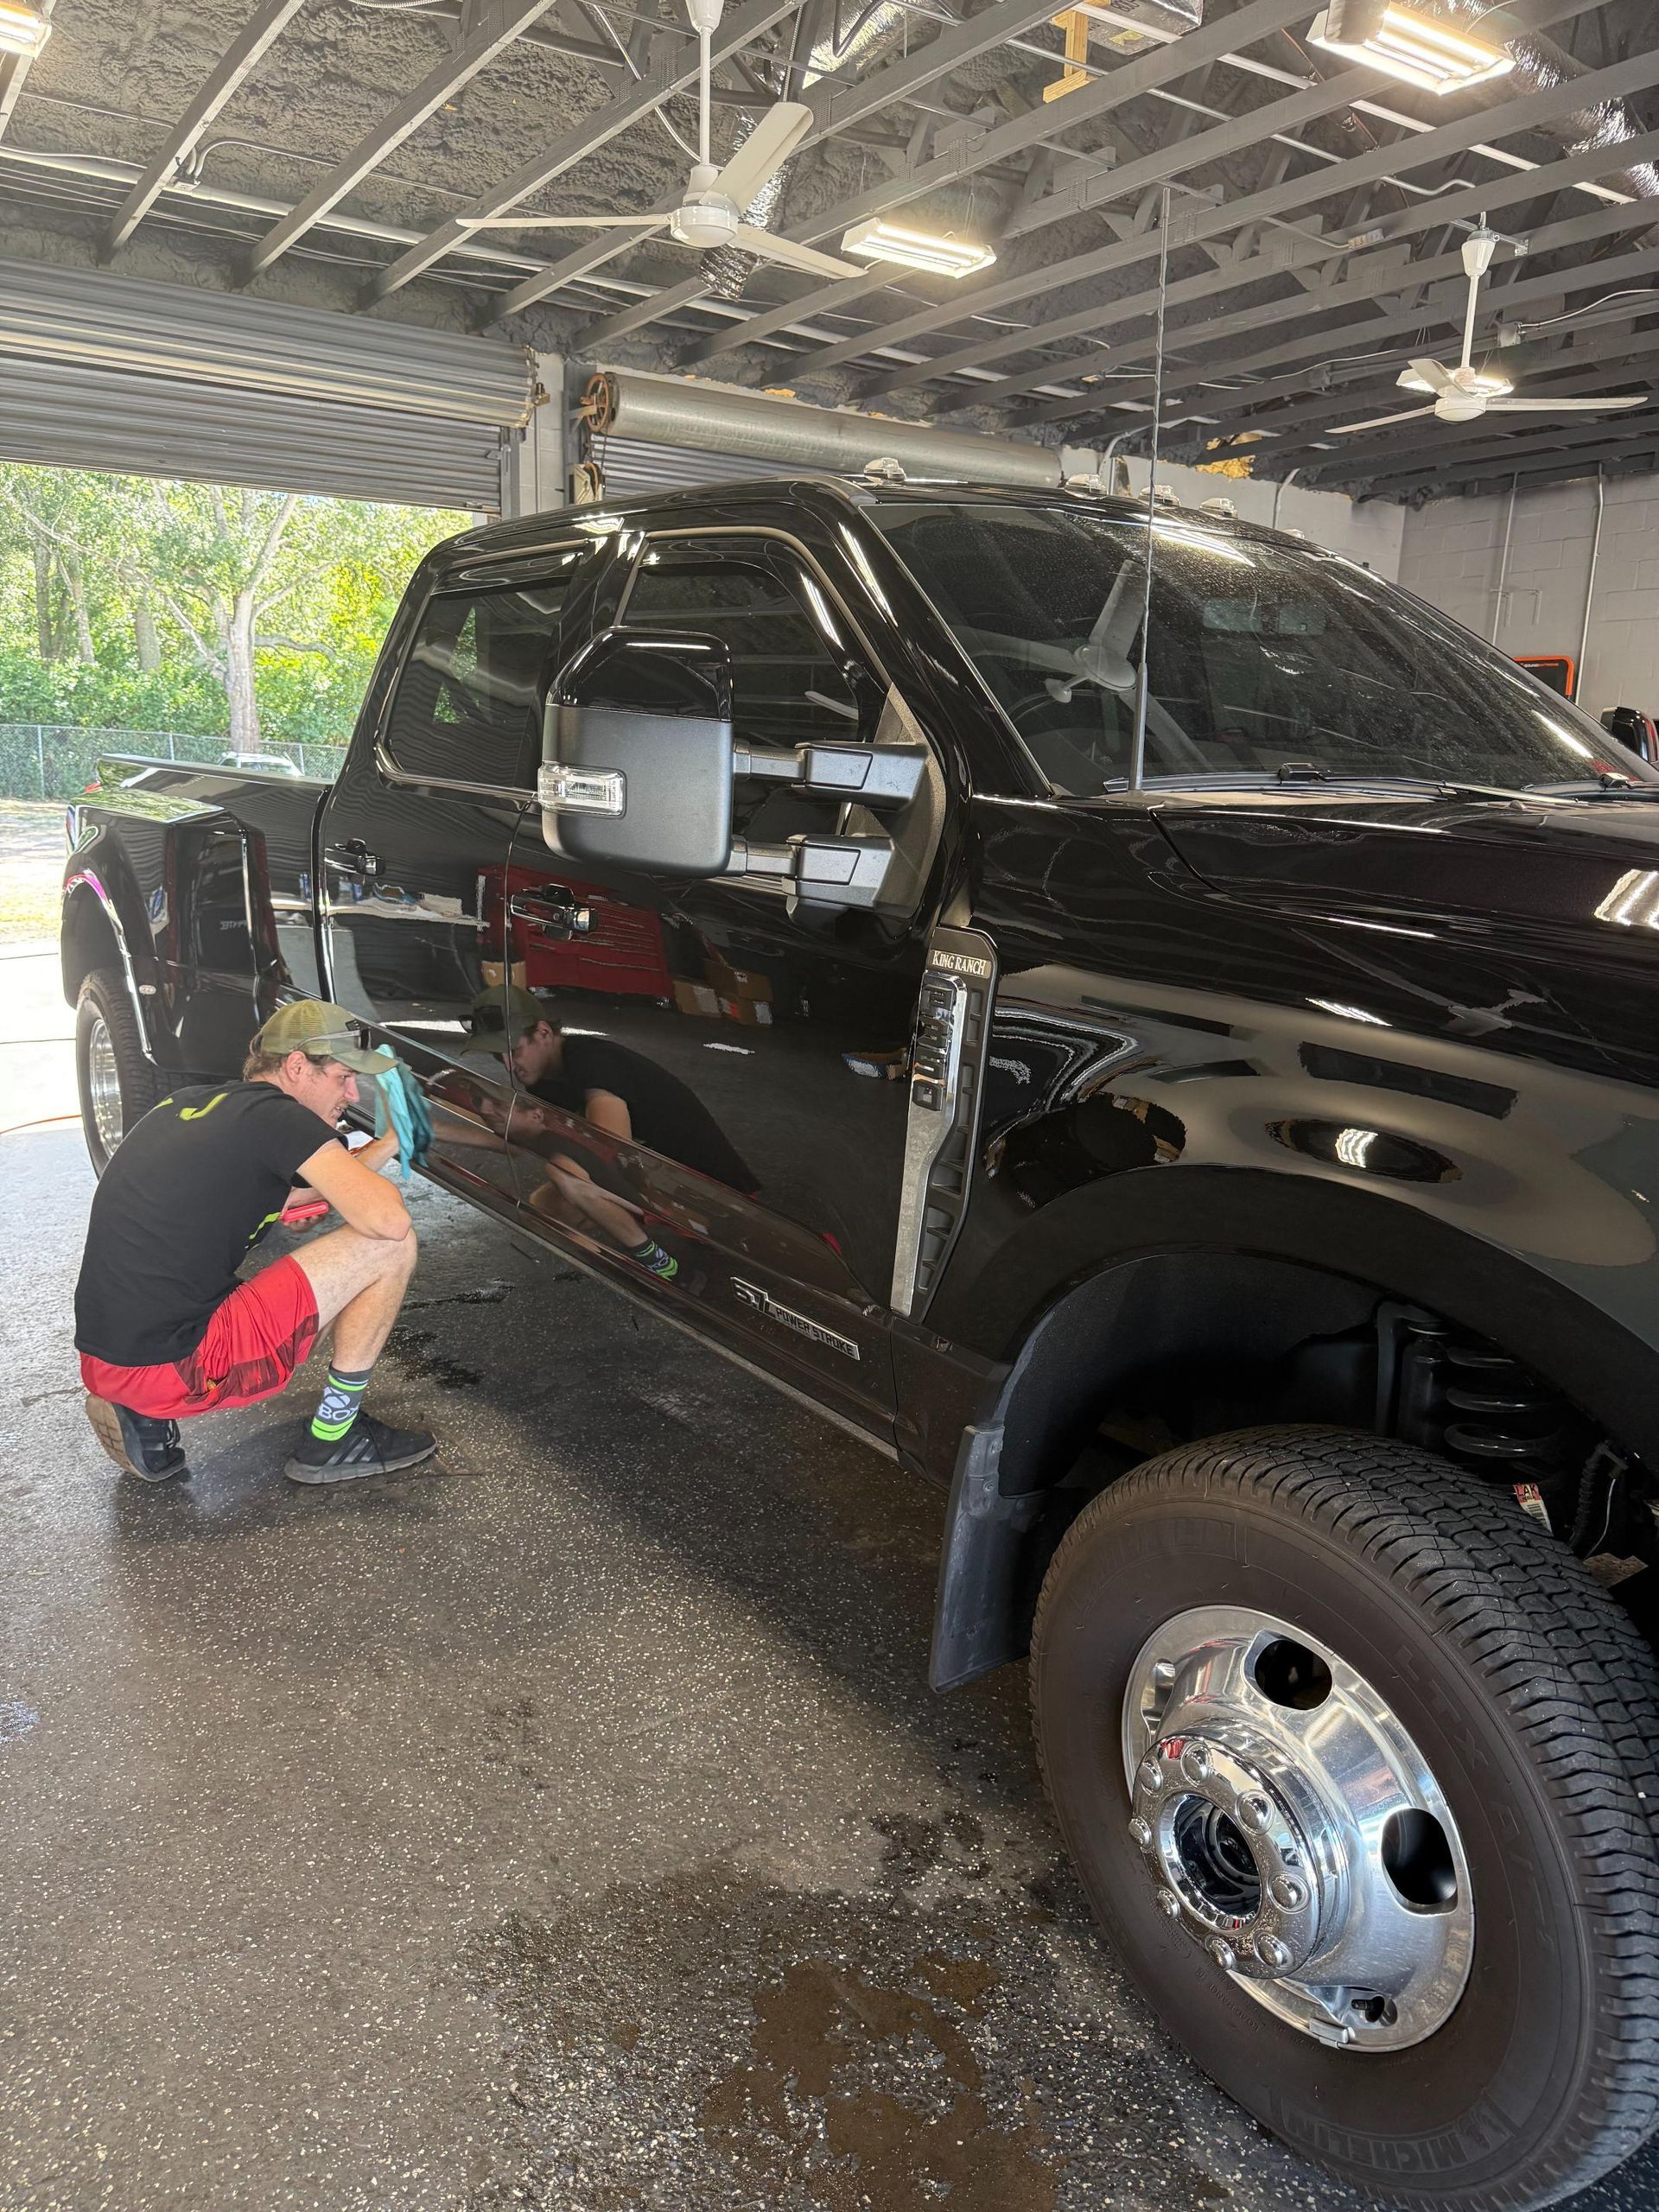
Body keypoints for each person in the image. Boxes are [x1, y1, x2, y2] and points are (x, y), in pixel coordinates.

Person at [74, 1001, 437, 1489]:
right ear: (295, 1066)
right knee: (391, 1245)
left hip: (110, 1358)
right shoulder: (279, 1117)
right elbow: (387, 1220)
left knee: (193, 1280)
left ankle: (144, 1415)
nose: (352, 1095)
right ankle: (335, 1436)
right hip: (179, 1366)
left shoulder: (197, 1106)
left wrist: (391, 1141)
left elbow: (298, 1196)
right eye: (342, 1077)